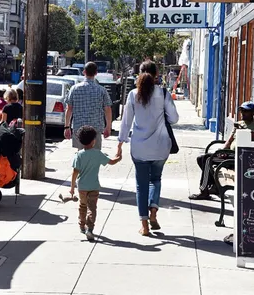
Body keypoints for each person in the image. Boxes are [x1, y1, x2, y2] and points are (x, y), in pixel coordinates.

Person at [118, 61, 179, 236]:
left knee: (141, 185)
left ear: (139, 74)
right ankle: (153, 211)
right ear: (156, 74)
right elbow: (174, 119)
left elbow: (126, 122)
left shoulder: (133, 94)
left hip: (139, 148)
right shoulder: (163, 93)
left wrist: (120, 143)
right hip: (161, 147)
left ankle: (144, 226)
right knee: (156, 179)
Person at [189, 101, 254, 201]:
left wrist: (247, 132)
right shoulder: (239, 124)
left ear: (253, 113)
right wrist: (223, 150)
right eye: (241, 110)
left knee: (207, 161)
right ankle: (215, 186)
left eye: (246, 111)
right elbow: (230, 140)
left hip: (239, 157)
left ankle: (204, 191)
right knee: (201, 158)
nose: (243, 113)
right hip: (230, 154)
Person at [70, 125, 122, 241]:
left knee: (82, 206)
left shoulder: (78, 155)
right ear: (93, 141)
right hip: (94, 186)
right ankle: (90, 228)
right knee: (92, 208)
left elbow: (74, 172)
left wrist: (72, 187)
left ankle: (82, 225)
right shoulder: (98, 154)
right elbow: (112, 162)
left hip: (82, 187)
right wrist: (119, 157)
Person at [64, 61, 113, 150]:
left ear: (84, 72)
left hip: (79, 128)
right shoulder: (102, 90)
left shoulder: (74, 89)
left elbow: (69, 109)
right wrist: (108, 126)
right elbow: (108, 109)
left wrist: (67, 127)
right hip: (96, 128)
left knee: (81, 155)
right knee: (95, 155)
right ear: (96, 73)